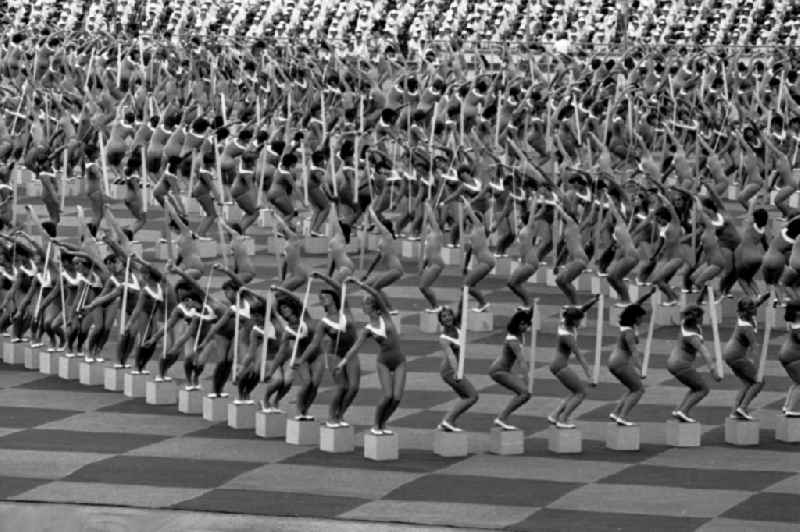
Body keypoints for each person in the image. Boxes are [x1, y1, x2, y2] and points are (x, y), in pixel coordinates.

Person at [338, 277, 406, 435]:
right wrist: (343, 363)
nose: (366, 304)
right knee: (388, 395)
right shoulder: (367, 329)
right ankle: (376, 425)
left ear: (374, 306)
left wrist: (359, 284)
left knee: (396, 398)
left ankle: (383, 423)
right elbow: (355, 348)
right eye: (364, 303)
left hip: (400, 360)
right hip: (383, 361)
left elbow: (374, 292)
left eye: (368, 302)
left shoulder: (386, 316)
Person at [297, 271, 360, 427]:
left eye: (325, 295)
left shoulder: (345, 310)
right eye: (320, 297)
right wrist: (302, 359)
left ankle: (341, 414)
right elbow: (313, 344)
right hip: (334, 355)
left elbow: (339, 287)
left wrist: (322, 277)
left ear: (333, 298)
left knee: (353, 388)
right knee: (342, 386)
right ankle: (332, 416)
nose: (322, 298)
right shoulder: (323, 323)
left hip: (351, 354)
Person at [548, 296, 599, 429]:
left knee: (574, 391)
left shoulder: (564, 321)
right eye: (579, 320)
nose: (581, 322)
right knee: (581, 393)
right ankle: (563, 419)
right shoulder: (567, 337)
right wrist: (590, 376)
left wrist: (593, 300)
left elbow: (581, 309)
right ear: (574, 320)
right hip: (560, 366)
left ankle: (554, 415)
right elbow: (580, 357)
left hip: (557, 364)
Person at [667, 305, 723, 423]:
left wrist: (705, 289)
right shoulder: (693, 337)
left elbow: (694, 306)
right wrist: (714, 372)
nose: (704, 319)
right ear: (698, 318)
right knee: (703, 389)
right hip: (681, 364)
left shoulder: (685, 323)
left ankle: (679, 410)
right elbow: (705, 353)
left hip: (672, 362)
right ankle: (684, 411)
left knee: (695, 386)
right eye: (702, 317)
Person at [608, 290, 655, 425]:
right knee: (639, 390)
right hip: (620, 362)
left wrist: (649, 294)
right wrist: (641, 369)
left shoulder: (626, 325)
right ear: (635, 318)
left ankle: (616, 413)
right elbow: (634, 352)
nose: (642, 320)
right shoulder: (629, 332)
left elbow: (635, 304)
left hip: (615, 361)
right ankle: (622, 417)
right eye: (641, 318)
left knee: (632, 388)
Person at [723, 295, 770, 420]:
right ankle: (743, 408)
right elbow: (755, 346)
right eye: (752, 309)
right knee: (759, 381)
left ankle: (735, 412)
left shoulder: (745, 315)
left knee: (747, 382)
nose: (754, 309)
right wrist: (757, 364)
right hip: (735, 355)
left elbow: (757, 302)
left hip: (730, 354)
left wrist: (769, 293)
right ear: (745, 311)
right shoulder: (746, 327)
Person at [436, 303, 479, 431]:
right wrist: (457, 372)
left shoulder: (458, 326)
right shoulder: (443, 339)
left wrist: (464, 290)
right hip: (450, 371)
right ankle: (448, 420)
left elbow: (463, 306)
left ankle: (447, 422)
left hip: (453, 370)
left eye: (449, 315)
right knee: (472, 396)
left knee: (466, 396)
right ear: (441, 321)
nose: (447, 318)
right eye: (444, 316)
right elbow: (451, 356)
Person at [487, 308, 532, 430]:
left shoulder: (519, 334)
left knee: (524, 393)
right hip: (498, 370)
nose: (524, 326)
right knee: (524, 393)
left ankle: (502, 418)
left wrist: (533, 306)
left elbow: (528, 315)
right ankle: (501, 418)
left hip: (505, 369)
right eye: (522, 324)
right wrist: (528, 380)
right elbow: (521, 361)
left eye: (526, 324)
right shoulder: (513, 340)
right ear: (516, 323)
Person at [419, 202, 445, 312]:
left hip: (437, 263)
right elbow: (427, 253)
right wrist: (423, 266)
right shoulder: (430, 235)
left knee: (423, 287)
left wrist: (428, 206)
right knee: (423, 287)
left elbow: (431, 218)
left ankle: (436, 306)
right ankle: (435, 306)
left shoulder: (437, 232)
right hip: (431, 263)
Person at [778, 301, 800, 417]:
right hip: (791, 357)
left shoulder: (793, 323)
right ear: (797, 313)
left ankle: (786, 406)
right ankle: (790, 409)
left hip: (786, 355)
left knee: (797, 381)